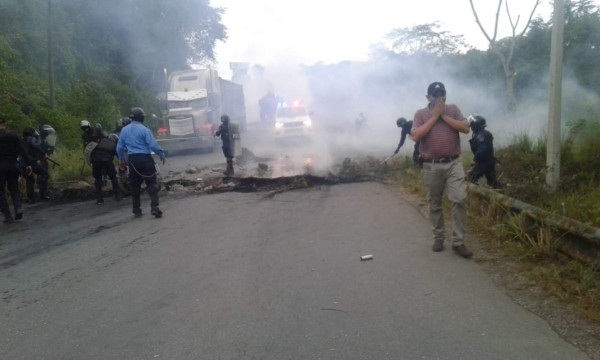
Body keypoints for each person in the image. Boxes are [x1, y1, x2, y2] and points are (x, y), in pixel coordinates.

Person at [411, 81, 473, 258]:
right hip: (431, 165)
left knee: (459, 199)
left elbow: (465, 128)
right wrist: (434, 117)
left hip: (454, 162)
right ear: (428, 97)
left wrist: (443, 116)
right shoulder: (421, 114)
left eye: (442, 94)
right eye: (435, 95)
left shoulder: (453, 109)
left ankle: (459, 242)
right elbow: (415, 136)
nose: (439, 98)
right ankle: (438, 237)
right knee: (435, 203)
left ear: (445, 94)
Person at [117, 107, 165, 218]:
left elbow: (119, 147)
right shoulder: (144, 129)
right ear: (141, 117)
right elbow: (153, 145)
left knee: (135, 185)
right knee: (151, 183)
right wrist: (161, 153)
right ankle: (154, 207)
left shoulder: (124, 130)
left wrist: (121, 160)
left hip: (132, 160)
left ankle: (136, 210)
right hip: (145, 158)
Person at [0, 117, 32, 223]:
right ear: (4, 124)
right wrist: (28, 164)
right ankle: (18, 208)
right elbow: (23, 150)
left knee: (1, 191)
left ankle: (8, 216)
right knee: (14, 188)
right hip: (13, 165)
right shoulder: (13, 135)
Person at [90, 124, 121, 204]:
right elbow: (118, 155)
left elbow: (92, 151)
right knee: (113, 177)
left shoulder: (101, 141)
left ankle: (99, 199)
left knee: (98, 180)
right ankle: (117, 196)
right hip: (107, 161)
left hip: (96, 161)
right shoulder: (114, 144)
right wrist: (122, 161)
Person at [468, 115, 502, 188]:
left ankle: (477, 196)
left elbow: (482, 149)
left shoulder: (481, 136)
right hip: (489, 161)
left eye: (472, 125)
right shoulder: (483, 133)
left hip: (483, 163)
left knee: (471, 179)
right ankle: (500, 194)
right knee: (493, 182)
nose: (471, 127)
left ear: (476, 125)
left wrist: (475, 160)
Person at [22, 127, 50, 202]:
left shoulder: (21, 141)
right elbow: (35, 145)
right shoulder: (32, 139)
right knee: (45, 174)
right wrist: (44, 153)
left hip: (23, 163)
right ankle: (43, 195)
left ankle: (30, 199)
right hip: (32, 162)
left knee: (29, 179)